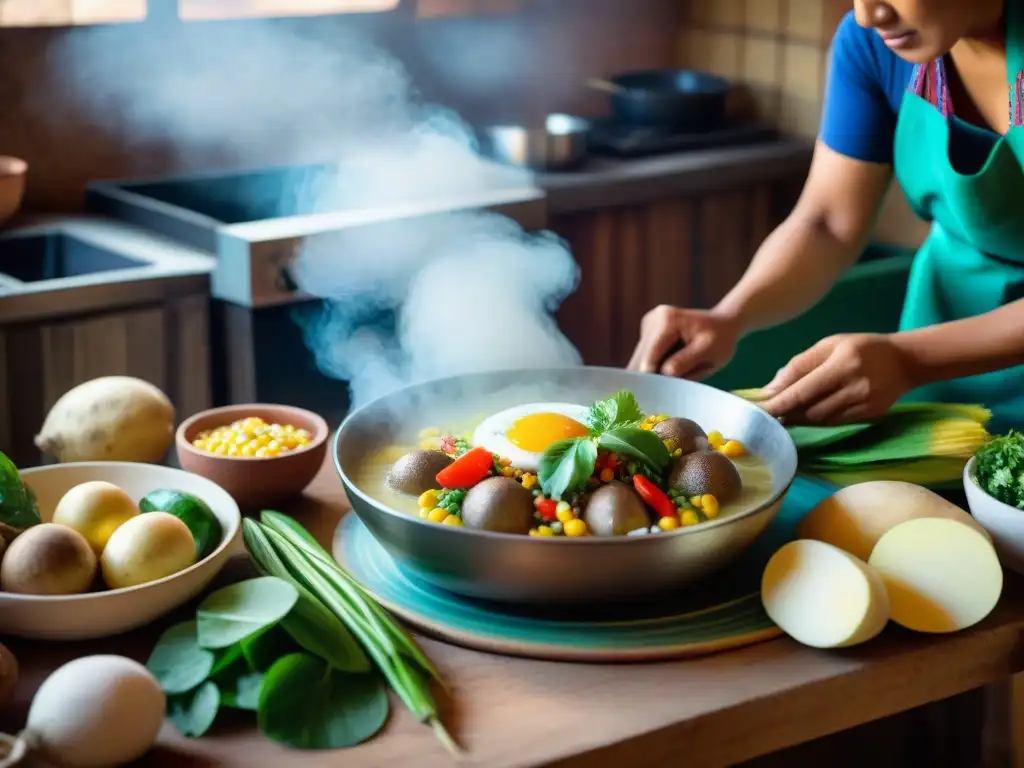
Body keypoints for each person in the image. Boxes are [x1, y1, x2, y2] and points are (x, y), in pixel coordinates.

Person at [628, 0, 1024, 431]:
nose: (868, 14)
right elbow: (827, 223)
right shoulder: (873, 46)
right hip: (942, 355)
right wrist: (730, 316)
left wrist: (911, 359)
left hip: (933, 355)